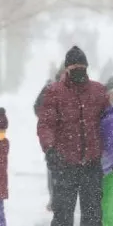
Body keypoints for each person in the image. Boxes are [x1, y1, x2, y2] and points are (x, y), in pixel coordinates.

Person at [36, 46, 111, 226]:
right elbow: (46, 124)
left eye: (82, 67)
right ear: (67, 69)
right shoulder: (54, 92)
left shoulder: (98, 92)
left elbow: (109, 124)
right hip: (64, 162)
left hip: (91, 163)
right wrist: (49, 149)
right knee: (63, 211)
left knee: (92, 212)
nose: (79, 71)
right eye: (74, 67)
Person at [36, 65, 66, 212]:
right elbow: (37, 107)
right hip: (56, 139)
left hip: (71, 140)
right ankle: (55, 199)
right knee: (54, 170)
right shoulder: (50, 89)